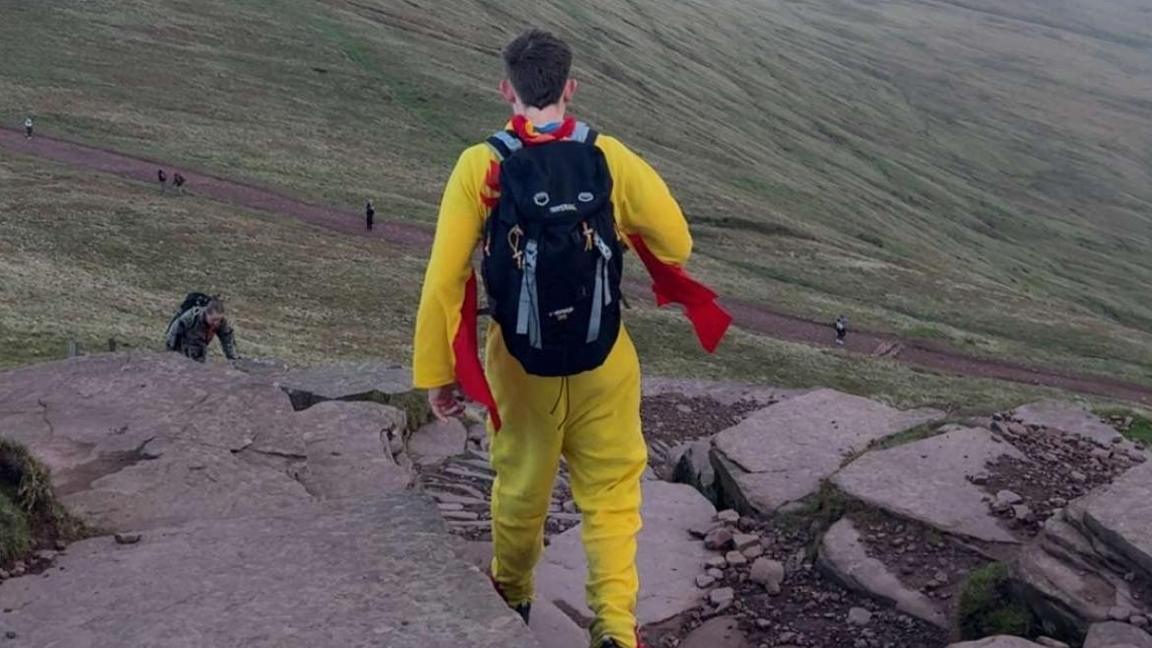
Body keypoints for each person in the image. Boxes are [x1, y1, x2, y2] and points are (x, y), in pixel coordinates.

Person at [412, 29, 729, 648]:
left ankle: (514, 594)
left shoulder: (482, 165)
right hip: (604, 356)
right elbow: (678, 244)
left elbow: (444, 280)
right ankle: (614, 626)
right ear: (569, 87)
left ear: (507, 89)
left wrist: (437, 375)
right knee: (611, 494)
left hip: (518, 362)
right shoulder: (607, 156)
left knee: (522, 483)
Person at [165, 296, 238, 363]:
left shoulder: (221, 323)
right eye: (214, 320)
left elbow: (227, 341)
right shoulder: (190, 318)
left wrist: (232, 359)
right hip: (184, 345)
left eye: (219, 319)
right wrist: (171, 352)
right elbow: (173, 332)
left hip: (200, 349)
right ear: (206, 313)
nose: (217, 323)